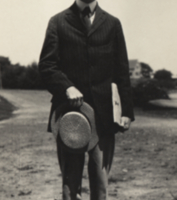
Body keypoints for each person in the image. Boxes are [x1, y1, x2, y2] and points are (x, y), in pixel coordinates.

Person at [38, 0, 134, 199]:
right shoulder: (58, 22)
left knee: (101, 184)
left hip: (105, 116)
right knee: (70, 186)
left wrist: (126, 111)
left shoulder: (112, 23)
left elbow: (121, 71)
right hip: (69, 116)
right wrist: (67, 87)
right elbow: (47, 66)